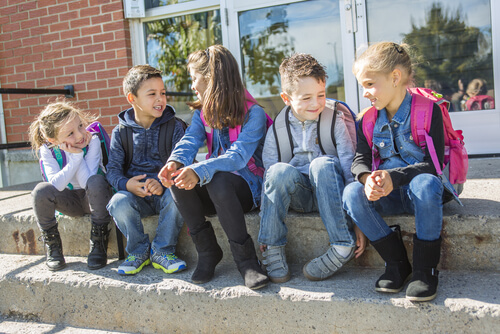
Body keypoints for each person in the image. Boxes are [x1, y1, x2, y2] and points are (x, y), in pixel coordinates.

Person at [158, 45, 269, 290]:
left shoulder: (254, 113)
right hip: (216, 194)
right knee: (179, 178)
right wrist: (174, 162)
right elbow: (189, 141)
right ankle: (208, 252)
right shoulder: (202, 113)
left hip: (246, 189)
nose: (193, 86)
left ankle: (246, 260)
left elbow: (237, 157)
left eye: (194, 78)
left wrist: (200, 170)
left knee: (218, 179)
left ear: (211, 79)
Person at [342, 42, 446, 302]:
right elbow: (360, 161)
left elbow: (434, 165)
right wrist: (367, 179)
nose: (365, 93)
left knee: (425, 184)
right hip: (387, 195)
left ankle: (425, 269)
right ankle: (397, 263)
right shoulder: (366, 119)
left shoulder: (428, 110)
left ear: (395, 77)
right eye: (362, 86)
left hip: (422, 195)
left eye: (369, 84)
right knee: (352, 193)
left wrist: (394, 177)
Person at [257, 53, 366, 283]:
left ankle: (342, 244)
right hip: (301, 195)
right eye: (306, 98)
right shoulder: (278, 127)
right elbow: (270, 177)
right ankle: (273, 247)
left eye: (321, 95)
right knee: (277, 170)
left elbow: (348, 165)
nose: (316, 103)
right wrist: (265, 224)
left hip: (331, 189)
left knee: (322, 163)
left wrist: (358, 219)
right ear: (286, 98)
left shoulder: (333, 118)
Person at [106, 65, 186, 275]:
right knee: (117, 202)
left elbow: (185, 163)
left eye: (163, 93)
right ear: (132, 98)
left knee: (181, 193)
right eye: (152, 94)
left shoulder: (176, 126)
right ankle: (138, 251)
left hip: (166, 195)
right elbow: (112, 170)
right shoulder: (120, 132)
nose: (160, 99)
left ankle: (162, 250)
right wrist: (127, 185)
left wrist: (162, 183)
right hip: (136, 198)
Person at [29, 101, 112, 271]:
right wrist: (72, 156)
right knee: (41, 191)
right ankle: (53, 246)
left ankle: (98, 240)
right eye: (71, 133)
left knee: (95, 181)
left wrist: (78, 154)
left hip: (94, 198)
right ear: (53, 140)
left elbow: (86, 181)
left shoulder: (92, 140)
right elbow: (56, 185)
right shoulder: (48, 149)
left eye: (80, 126)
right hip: (69, 201)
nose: (80, 135)